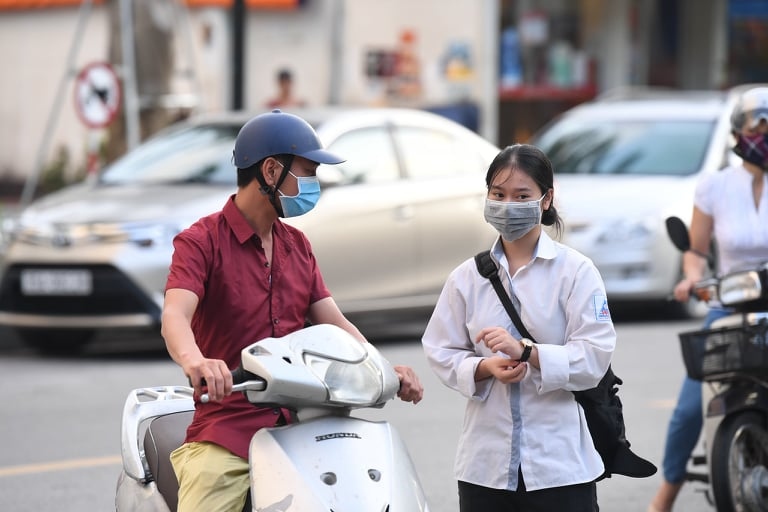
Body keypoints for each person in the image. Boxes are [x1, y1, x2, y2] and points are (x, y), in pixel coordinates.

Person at [161, 109, 424, 512]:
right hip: (227, 427)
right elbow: (175, 315)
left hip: (305, 424)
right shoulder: (201, 241)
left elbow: (333, 321)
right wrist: (197, 363)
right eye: (307, 171)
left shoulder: (297, 246)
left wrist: (384, 368)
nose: (314, 183)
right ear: (270, 170)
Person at [421, 144, 616, 511]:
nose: (508, 205)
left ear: (546, 199)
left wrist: (528, 352)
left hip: (560, 468)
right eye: (498, 194)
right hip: (486, 467)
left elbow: (594, 357)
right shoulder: (467, 277)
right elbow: (440, 348)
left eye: (521, 195)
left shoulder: (576, 272)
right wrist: (482, 367)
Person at [647, 86, 768, 512]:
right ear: (739, 131)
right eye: (760, 124)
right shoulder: (714, 185)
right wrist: (691, 279)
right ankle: (667, 492)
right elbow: (696, 251)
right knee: (687, 408)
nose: (766, 133)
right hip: (730, 303)